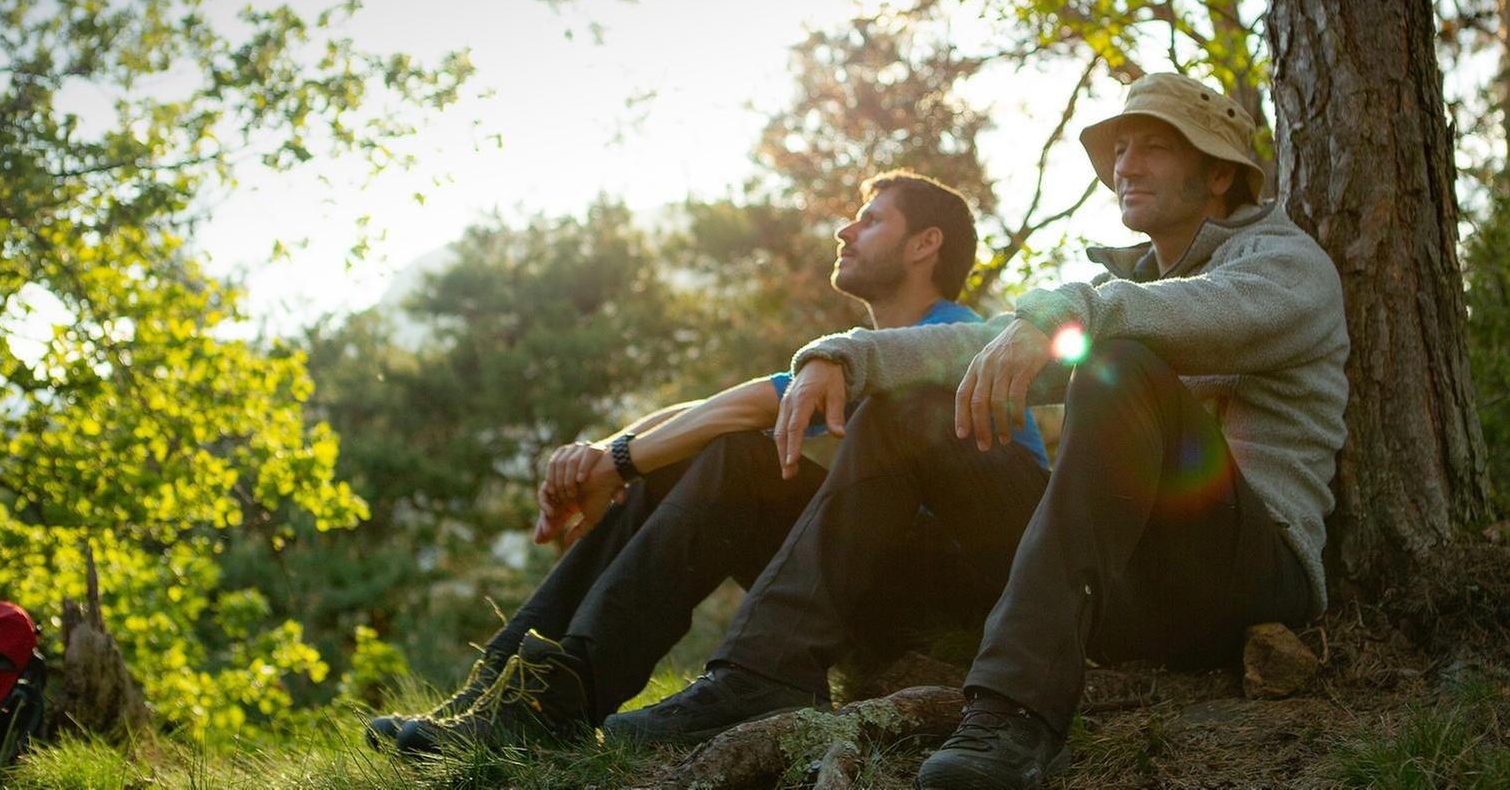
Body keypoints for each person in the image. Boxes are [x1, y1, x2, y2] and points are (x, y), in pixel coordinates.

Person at [612, 74, 1349, 790]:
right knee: (911, 408)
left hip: (1249, 577)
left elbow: (1196, 315)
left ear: (1219, 175)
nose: (1126, 165)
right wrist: (851, 357)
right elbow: (985, 343)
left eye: (1153, 146)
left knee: (1118, 362)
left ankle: (1015, 712)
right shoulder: (1127, 295)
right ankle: (759, 673)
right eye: (1119, 149)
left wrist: (1071, 317)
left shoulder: (1285, 265)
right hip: (1128, 590)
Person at [366, 170, 1047, 754]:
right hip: (873, 571)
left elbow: (750, 408)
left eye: (869, 220)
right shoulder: (869, 349)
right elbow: (713, 408)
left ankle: (564, 696)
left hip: (955, 596)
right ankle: (508, 690)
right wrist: (612, 455)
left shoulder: (950, 340)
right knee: (704, 455)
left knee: (733, 457)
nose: (845, 231)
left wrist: (619, 461)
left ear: (927, 244)